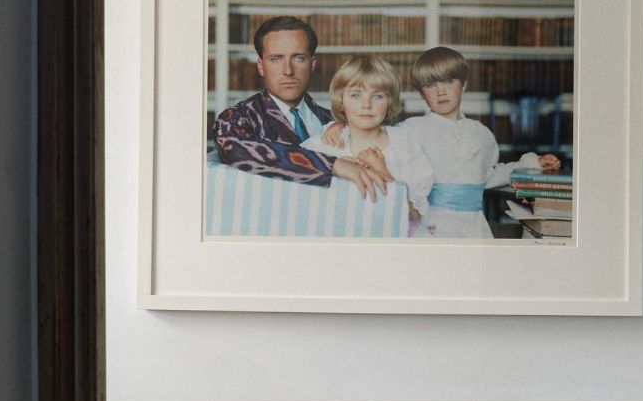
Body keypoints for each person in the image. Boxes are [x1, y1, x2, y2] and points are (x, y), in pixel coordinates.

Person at [211, 16, 388, 195]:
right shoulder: (237, 119)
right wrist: (333, 165)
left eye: (299, 58)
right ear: (261, 66)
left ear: (312, 64)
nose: (288, 71)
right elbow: (236, 149)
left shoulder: (337, 119)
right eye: (276, 59)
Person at [402, 44, 561, 238]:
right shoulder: (412, 130)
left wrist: (532, 164)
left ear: (464, 85)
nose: (441, 91)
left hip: (474, 224)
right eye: (431, 85)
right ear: (421, 93)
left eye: (449, 81)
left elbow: (488, 175)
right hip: (433, 223)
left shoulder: (480, 133)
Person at [317, 56, 434, 233]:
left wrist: (383, 173)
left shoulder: (403, 144)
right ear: (341, 101)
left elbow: (415, 216)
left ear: (390, 101)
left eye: (377, 96)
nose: (366, 104)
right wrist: (334, 169)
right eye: (355, 95)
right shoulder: (327, 143)